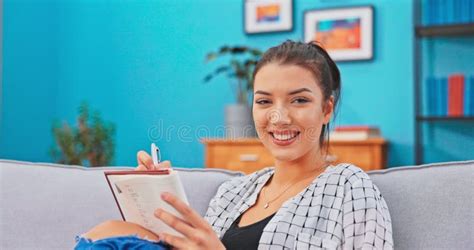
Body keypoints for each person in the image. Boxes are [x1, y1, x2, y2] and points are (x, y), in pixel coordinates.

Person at [75, 40, 394, 249]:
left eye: (299, 100)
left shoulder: (349, 186)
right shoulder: (233, 193)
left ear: (326, 108)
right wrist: (154, 203)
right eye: (264, 101)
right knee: (107, 233)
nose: (279, 117)